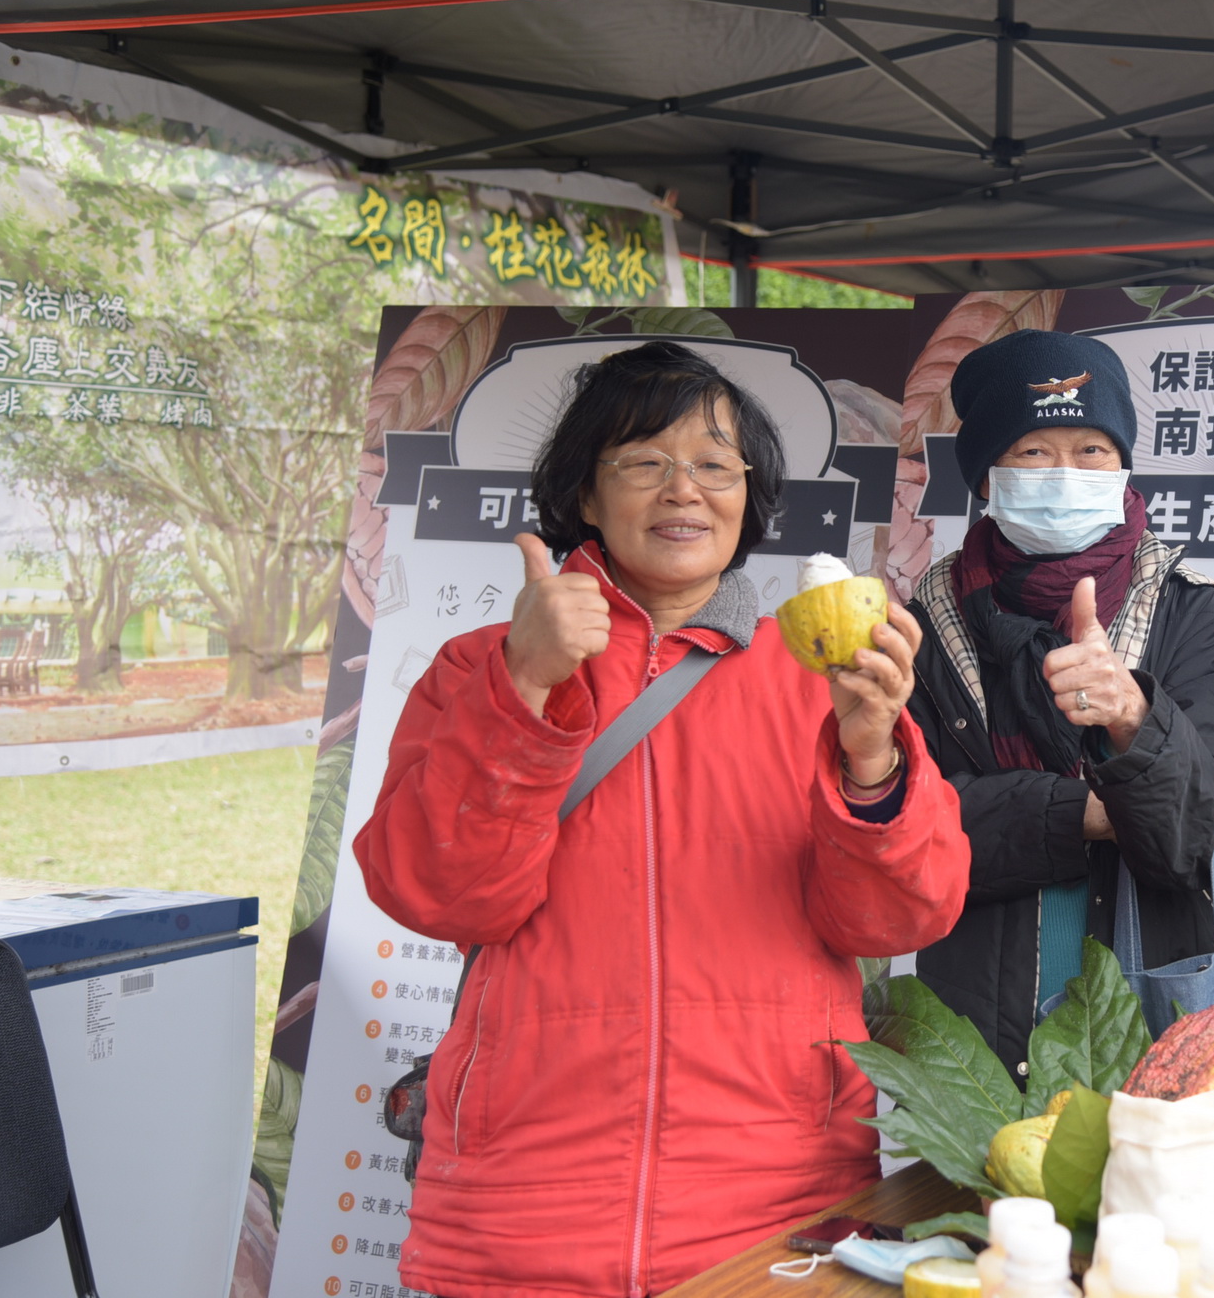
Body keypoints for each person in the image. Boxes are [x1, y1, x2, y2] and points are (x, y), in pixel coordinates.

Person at [353, 342, 970, 1296]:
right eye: (644, 460)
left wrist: (871, 759)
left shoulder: (821, 676)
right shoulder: (479, 667)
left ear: (748, 496)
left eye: (716, 465)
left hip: (773, 1192)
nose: (684, 490)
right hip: (526, 1201)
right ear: (586, 494)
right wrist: (523, 686)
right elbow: (437, 892)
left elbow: (899, 917)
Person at [904, 328, 1214, 1072]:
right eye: (1034, 450)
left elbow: (1206, 840)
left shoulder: (1198, 617)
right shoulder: (922, 629)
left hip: (1156, 1036)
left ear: (1123, 465)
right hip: (978, 1048)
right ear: (985, 477)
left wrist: (1135, 716)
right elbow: (919, 826)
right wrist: (1089, 812)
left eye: (1091, 451)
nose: (1065, 472)